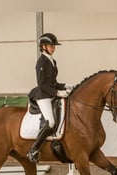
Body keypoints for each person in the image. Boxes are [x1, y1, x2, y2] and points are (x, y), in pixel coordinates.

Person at [27, 33, 73, 163]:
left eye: (54, 46)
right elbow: (42, 85)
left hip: (51, 92)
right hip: (43, 95)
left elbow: (53, 82)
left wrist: (65, 86)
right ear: (43, 46)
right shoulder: (41, 62)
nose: (53, 48)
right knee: (51, 121)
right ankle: (33, 150)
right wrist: (58, 93)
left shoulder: (52, 60)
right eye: (51, 46)